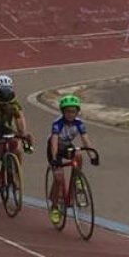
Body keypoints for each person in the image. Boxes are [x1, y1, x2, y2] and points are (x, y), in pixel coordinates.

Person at [0, 74, 33, 202]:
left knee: (17, 148)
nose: (6, 106)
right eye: (3, 105)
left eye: (7, 104)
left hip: (4, 125)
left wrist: (24, 134)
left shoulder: (15, 103)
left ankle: (15, 174)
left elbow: (20, 119)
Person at [46, 94, 94, 225]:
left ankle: (77, 179)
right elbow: (54, 141)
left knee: (78, 155)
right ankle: (54, 207)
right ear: (62, 112)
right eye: (67, 111)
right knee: (59, 177)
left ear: (77, 112)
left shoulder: (79, 123)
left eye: (73, 111)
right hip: (54, 148)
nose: (70, 114)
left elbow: (85, 140)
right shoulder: (57, 123)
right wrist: (55, 158)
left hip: (66, 146)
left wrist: (92, 155)